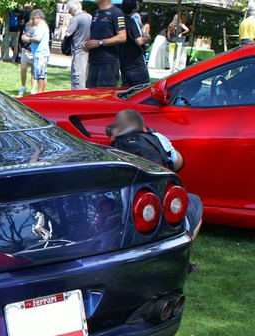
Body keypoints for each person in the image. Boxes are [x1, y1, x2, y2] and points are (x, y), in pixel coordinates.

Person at [108, 109, 202, 241]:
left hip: (125, 215)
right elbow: (178, 164)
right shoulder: (157, 138)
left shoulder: (112, 148)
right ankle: (184, 245)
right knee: (194, 201)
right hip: (158, 211)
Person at [83, 0, 127, 88]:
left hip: (108, 63)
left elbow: (122, 37)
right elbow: (94, 33)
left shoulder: (116, 13)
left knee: (103, 95)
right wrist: (86, 43)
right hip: (93, 61)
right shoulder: (96, 13)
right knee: (91, 95)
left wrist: (100, 42)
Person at [119, 0, 150, 87]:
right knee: (142, 90)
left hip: (123, 62)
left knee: (126, 91)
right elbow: (139, 41)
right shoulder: (131, 22)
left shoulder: (118, 22)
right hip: (136, 62)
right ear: (134, 10)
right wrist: (147, 38)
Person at [21, 9, 50, 93]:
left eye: (33, 19)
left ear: (38, 17)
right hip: (41, 52)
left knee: (40, 75)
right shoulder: (44, 26)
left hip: (40, 53)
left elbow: (37, 38)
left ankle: (40, 92)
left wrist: (28, 39)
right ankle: (43, 92)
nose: (33, 21)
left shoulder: (41, 26)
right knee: (42, 73)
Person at [65, 0, 91, 89]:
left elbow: (68, 34)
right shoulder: (90, 17)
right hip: (89, 48)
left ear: (72, 10)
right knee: (85, 74)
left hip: (78, 49)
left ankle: (77, 96)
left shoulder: (75, 19)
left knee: (77, 76)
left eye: (69, 11)